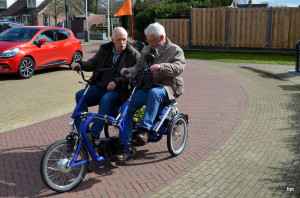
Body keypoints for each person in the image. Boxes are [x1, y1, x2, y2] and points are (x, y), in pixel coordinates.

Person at [119, 22, 185, 159]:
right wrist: (127, 71)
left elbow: (179, 68)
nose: (148, 43)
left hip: (167, 88)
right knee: (129, 107)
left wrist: (161, 67)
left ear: (161, 37)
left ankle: (145, 130)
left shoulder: (175, 50)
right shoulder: (146, 50)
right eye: (147, 40)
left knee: (154, 94)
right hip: (147, 87)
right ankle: (126, 142)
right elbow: (137, 67)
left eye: (151, 40)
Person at [71, 27, 140, 146]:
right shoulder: (105, 49)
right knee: (80, 95)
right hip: (100, 86)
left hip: (119, 91)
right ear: (112, 39)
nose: (122, 43)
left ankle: (93, 135)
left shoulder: (133, 54)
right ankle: (84, 131)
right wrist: (80, 64)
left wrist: (116, 82)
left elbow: (135, 75)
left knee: (106, 99)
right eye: (118, 40)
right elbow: (93, 63)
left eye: (124, 39)